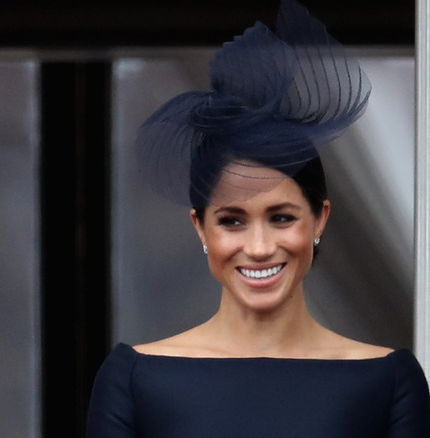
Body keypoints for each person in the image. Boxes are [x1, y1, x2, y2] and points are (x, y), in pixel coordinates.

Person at [86, 0, 430, 437]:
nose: (260, 246)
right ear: (200, 226)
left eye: (282, 217)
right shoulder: (136, 379)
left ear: (320, 218)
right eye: (232, 221)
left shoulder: (388, 380)